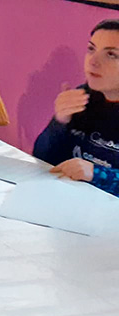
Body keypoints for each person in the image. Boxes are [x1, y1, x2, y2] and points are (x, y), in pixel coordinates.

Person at [34, 20, 119, 197]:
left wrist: (96, 174)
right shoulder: (82, 97)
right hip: (73, 203)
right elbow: (42, 159)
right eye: (91, 49)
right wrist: (59, 123)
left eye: (111, 54)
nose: (93, 61)